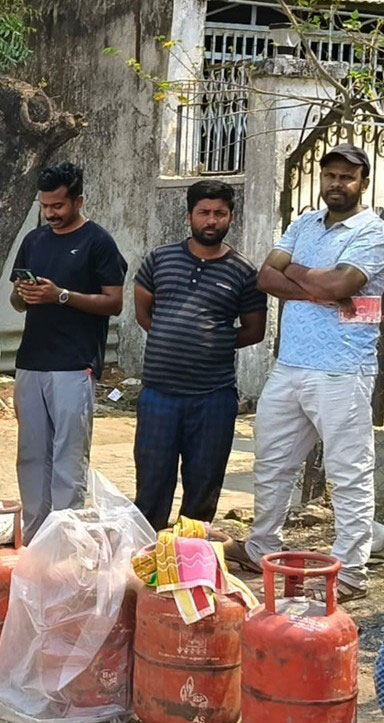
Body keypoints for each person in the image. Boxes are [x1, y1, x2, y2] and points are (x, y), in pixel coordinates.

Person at [225, 143, 384, 602]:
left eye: (347, 177)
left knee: (349, 473)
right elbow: (265, 279)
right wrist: (320, 284)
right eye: (330, 175)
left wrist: (297, 274)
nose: (337, 184)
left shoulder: (371, 231)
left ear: (363, 184)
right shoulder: (303, 223)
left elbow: (343, 285)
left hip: (343, 370)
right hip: (291, 366)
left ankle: (351, 572)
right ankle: (261, 548)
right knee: (272, 463)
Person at [133, 180, 266, 532]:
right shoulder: (160, 259)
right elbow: (144, 313)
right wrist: (171, 337)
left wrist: (213, 341)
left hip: (213, 398)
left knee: (203, 490)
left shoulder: (243, 271)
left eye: (219, 214)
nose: (211, 220)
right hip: (159, 394)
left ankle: (188, 568)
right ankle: (146, 565)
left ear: (231, 218)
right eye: (204, 212)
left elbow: (255, 330)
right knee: (151, 485)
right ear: (189, 215)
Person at [11, 162, 126, 541]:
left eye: (58, 205)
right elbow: (16, 300)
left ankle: (66, 541)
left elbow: (114, 303)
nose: (51, 214)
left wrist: (60, 295)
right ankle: (34, 538)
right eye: (45, 206)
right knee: (31, 457)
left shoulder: (99, 242)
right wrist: (25, 294)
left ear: (78, 200)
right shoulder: (34, 240)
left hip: (74, 365)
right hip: (31, 362)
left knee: (68, 458)